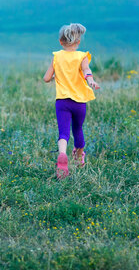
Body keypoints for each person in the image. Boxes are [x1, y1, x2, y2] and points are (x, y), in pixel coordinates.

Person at [43, 23, 100, 179]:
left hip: (62, 102)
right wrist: (91, 81)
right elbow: (87, 71)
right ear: (78, 42)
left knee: (63, 132)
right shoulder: (82, 56)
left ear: (61, 42)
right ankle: (79, 155)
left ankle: (62, 154)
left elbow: (46, 78)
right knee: (77, 129)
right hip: (79, 102)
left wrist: (56, 76)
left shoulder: (57, 56)